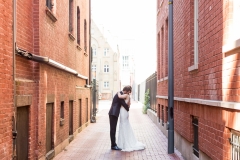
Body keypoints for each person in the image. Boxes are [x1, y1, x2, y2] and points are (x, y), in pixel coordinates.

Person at [108, 86, 132, 150]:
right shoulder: (120, 95)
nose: (128, 94)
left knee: (113, 129)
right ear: (126, 91)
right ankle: (113, 145)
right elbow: (124, 104)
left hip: (114, 113)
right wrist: (128, 108)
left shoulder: (120, 93)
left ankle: (114, 144)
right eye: (128, 92)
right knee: (113, 130)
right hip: (113, 113)